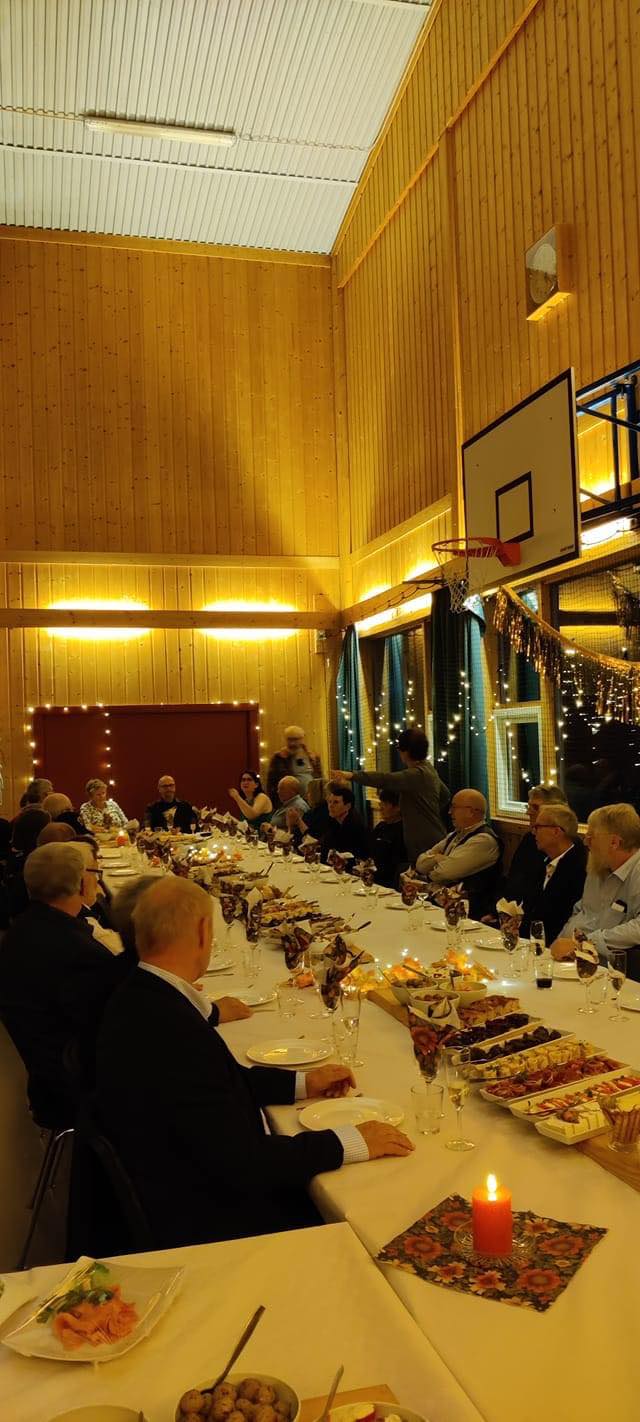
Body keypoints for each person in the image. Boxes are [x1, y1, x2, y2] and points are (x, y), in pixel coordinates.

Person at [95, 877, 413, 1248]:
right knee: (385, 1208)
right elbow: (241, 1162)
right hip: (213, 1220)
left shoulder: (145, 995)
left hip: (179, 1181)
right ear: (203, 931)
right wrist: (349, 1141)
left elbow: (215, 1082)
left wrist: (301, 1084)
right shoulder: (166, 1025)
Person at [0, 843, 126, 1124]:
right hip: (76, 1086)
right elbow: (117, 1020)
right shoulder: (75, 949)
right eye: (93, 873)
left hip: (47, 1076)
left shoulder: (22, 930)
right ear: (82, 883)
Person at [332, 729, 449, 865]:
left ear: (404, 752)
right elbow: (445, 795)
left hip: (423, 840)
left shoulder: (417, 774)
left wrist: (351, 775)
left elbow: (385, 779)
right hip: (434, 833)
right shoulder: (429, 770)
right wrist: (428, 810)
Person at [551, 804, 640, 975]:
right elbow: (581, 910)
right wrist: (560, 943)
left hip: (612, 972)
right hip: (572, 963)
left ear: (614, 842)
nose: (585, 842)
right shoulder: (598, 867)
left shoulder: (637, 872)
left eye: (591, 837)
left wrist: (583, 943)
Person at [416, 789, 501, 919]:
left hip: (469, 912)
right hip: (443, 905)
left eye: (454, 807)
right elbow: (420, 864)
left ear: (471, 812)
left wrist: (435, 865)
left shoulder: (483, 840)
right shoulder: (454, 835)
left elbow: (443, 873)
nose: (449, 812)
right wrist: (439, 859)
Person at [523, 803, 586, 945]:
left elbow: (561, 918)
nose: (533, 832)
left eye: (537, 827)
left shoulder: (579, 868)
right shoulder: (545, 861)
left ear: (556, 831)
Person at [502, 784, 569, 908]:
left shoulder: (568, 847)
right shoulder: (529, 839)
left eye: (535, 807)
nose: (528, 812)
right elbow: (513, 880)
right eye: (528, 806)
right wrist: (497, 910)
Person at [313, 781, 370, 864]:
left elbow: (355, 857)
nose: (331, 806)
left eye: (336, 802)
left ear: (347, 806)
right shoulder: (333, 821)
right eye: (329, 802)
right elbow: (325, 848)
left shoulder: (355, 826)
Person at [266, 726, 322, 803]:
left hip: (311, 800)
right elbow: (271, 783)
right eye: (289, 739)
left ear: (302, 739)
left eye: (295, 739)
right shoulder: (279, 758)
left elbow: (319, 777)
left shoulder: (312, 756)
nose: (292, 743)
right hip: (289, 801)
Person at [370, 788, 407, 888]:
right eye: (381, 803)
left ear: (397, 807)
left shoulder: (403, 831)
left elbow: (396, 865)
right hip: (373, 878)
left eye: (385, 804)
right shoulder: (380, 827)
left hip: (390, 883)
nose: (380, 807)